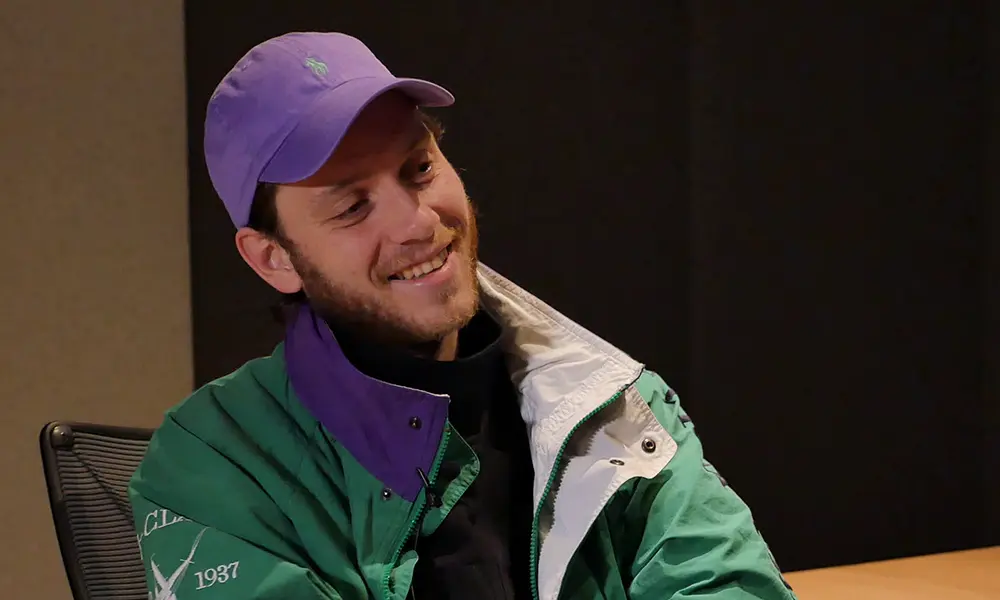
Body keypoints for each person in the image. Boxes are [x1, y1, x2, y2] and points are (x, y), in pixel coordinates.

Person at [128, 31, 796, 600]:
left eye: (419, 168)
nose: (419, 224)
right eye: (353, 206)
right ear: (274, 258)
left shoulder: (606, 400)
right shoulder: (213, 461)